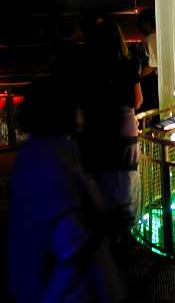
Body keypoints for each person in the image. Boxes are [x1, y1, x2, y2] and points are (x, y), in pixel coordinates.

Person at [8, 76, 125, 303]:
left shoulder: (32, 153)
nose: (81, 108)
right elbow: (71, 239)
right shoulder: (54, 160)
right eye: (75, 103)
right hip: (67, 292)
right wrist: (107, 223)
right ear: (60, 110)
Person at [78, 19, 143, 254]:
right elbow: (137, 100)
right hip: (125, 128)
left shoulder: (88, 65)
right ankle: (127, 234)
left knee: (104, 177)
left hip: (99, 130)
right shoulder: (128, 64)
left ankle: (109, 236)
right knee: (126, 178)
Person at [136, 9, 159, 113]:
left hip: (152, 83)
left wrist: (137, 76)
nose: (139, 25)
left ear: (148, 22)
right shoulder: (157, 37)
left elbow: (152, 65)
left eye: (141, 21)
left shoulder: (151, 38)